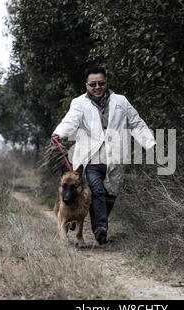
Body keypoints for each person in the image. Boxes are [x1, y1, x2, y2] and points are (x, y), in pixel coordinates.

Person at [51, 66, 156, 245]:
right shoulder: (79, 103)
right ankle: (101, 229)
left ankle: (98, 222)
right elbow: (70, 120)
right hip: (90, 156)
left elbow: (136, 123)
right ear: (86, 85)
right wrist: (59, 133)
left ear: (107, 82)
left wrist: (150, 143)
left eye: (101, 83)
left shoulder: (121, 101)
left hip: (114, 157)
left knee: (110, 195)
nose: (97, 87)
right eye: (93, 84)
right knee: (97, 191)